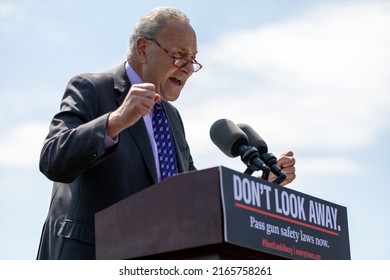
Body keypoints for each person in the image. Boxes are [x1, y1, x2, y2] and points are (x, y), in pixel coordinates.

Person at [37, 7, 296, 260]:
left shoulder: (171, 118)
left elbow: (191, 194)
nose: (187, 68)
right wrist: (115, 121)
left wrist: (261, 186)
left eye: (193, 59)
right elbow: (52, 159)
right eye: (180, 54)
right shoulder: (93, 89)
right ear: (143, 49)